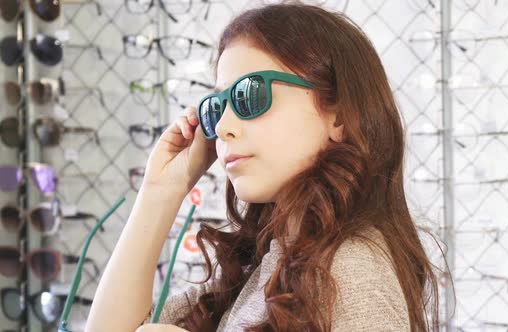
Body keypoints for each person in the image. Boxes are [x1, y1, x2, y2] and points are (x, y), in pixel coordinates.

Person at [86, 2, 442, 331]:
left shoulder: (352, 270)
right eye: (216, 106)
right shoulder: (265, 265)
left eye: (249, 95)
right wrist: (160, 191)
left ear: (339, 114)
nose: (224, 127)